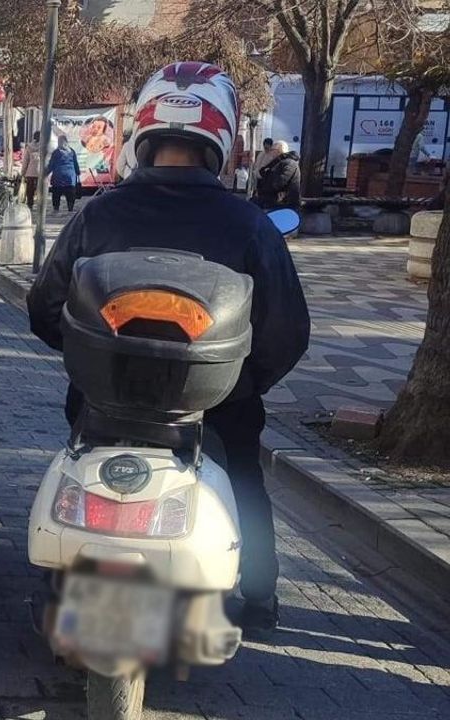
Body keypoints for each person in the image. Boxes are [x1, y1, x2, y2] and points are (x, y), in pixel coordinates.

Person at [27, 61, 310, 635]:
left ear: (145, 134)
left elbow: (44, 308)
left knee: (81, 471)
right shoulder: (250, 225)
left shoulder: (97, 214)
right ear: (220, 136)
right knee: (244, 484)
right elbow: (287, 332)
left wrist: (93, 360)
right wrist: (236, 382)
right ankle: (258, 598)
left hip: (105, 404)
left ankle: (67, 575)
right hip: (216, 410)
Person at [256, 140, 300, 209]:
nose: (270, 152)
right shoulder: (277, 162)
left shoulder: (290, 163)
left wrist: (265, 189)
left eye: (272, 150)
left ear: (279, 150)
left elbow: (280, 182)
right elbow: (263, 173)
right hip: (274, 201)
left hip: (285, 203)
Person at [47, 135, 81, 212]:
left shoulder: (56, 152)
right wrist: (78, 172)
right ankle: (70, 208)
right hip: (70, 177)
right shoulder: (72, 151)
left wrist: (46, 173)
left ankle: (56, 208)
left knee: (56, 194)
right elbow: (75, 163)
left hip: (58, 177)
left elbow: (51, 164)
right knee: (70, 195)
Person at [20, 131, 42, 206]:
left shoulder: (29, 147)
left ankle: (30, 203)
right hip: (40, 172)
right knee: (40, 189)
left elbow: (25, 161)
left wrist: (23, 172)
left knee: (30, 189)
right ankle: (39, 204)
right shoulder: (44, 147)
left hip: (30, 172)